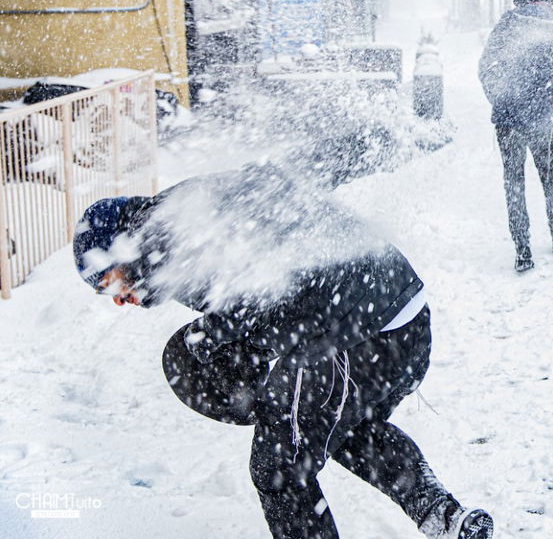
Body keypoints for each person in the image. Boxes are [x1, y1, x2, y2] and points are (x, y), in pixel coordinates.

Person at [72, 164, 493, 539]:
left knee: (279, 469)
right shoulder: (179, 215)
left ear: (121, 249)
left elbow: (260, 295)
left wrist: (208, 335)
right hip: (401, 317)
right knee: (339, 428)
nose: (115, 297)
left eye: (105, 281)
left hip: (354, 327)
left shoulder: (168, 234)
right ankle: (444, 516)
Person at [478, 0, 553, 273]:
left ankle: (522, 248)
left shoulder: (506, 24)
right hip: (541, 118)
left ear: (523, 1)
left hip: (507, 118)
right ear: (547, 2)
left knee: (513, 182)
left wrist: (500, 96)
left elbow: (485, 66)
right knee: (550, 176)